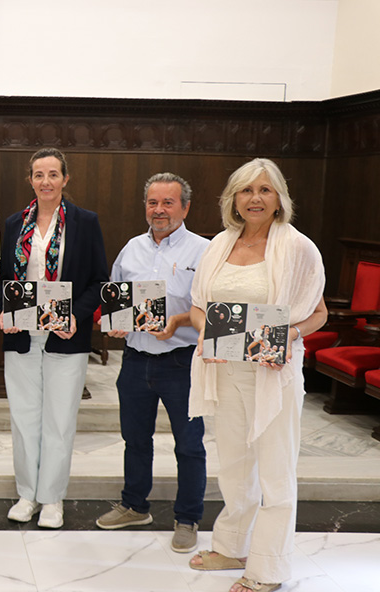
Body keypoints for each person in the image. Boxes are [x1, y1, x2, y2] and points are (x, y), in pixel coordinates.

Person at [187, 158, 327, 592]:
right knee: (233, 464)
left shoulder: (298, 248)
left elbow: (318, 314)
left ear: (279, 198)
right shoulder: (218, 245)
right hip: (224, 371)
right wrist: (209, 336)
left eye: (265, 190)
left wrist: (286, 338)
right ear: (233, 198)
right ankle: (231, 546)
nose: (255, 198)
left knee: (275, 472)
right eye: (247, 190)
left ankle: (268, 569)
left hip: (273, 376)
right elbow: (198, 307)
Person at [95, 173, 209, 554]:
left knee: (189, 446)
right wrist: (114, 325)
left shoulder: (204, 252)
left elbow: (210, 310)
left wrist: (177, 322)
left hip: (183, 362)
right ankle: (134, 505)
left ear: (185, 206)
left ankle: (188, 517)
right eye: (152, 203)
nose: (159, 210)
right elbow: (115, 298)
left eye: (168, 202)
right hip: (136, 360)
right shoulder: (131, 249)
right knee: (135, 440)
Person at [0, 148, 108, 528]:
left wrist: (76, 316)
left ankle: (52, 498)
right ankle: (28, 494)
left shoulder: (84, 222)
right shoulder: (14, 223)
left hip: (66, 335)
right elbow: (2, 280)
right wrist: (7, 312)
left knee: (59, 420)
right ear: (30, 179)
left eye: (53, 174)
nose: (46, 181)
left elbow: (97, 281)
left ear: (65, 179)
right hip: (22, 336)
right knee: (24, 418)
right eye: (39, 175)